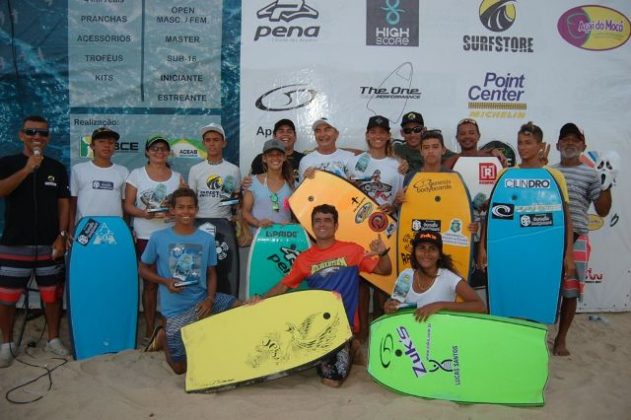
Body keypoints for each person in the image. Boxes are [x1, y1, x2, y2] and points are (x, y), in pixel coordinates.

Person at [249, 204, 392, 387]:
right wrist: (260, 298)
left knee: (331, 380)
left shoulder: (352, 251)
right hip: (317, 327)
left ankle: (351, 344)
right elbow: (284, 285)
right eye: (317, 220)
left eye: (327, 220)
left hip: (342, 327)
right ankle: (340, 351)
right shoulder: (304, 259)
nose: (322, 224)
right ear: (312, 226)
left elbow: (384, 270)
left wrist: (383, 253)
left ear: (336, 225)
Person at [139, 187, 240, 374]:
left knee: (240, 306)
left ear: (196, 209)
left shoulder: (206, 239)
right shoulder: (158, 238)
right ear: (173, 210)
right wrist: (165, 281)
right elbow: (142, 268)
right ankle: (163, 335)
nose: (186, 212)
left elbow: (211, 273)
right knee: (180, 370)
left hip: (202, 303)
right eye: (181, 207)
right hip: (174, 312)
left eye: (190, 207)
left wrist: (210, 299)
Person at [0, 115, 70, 367]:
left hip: (49, 244)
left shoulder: (57, 168)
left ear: (48, 138)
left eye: (42, 133)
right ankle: (6, 344)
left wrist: (62, 236)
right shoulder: (8, 163)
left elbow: (64, 204)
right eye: (31, 132)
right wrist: (27, 169)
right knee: (7, 298)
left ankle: (53, 339)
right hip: (14, 243)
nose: (37, 137)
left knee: (51, 296)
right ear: (21, 135)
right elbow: (2, 190)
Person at [477, 122, 576, 283]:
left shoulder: (554, 176)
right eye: (520, 143)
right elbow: (494, 214)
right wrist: (482, 247)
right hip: (509, 249)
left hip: (542, 250)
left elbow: (567, 219)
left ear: (539, 145)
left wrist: (569, 254)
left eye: (528, 143)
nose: (523, 148)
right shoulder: (506, 174)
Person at [551, 123, 612, 356]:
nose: (569, 143)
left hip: (577, 238)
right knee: (545, 287)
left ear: (583, 145)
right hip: (550, 239)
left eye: (574, 139)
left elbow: (603, 210)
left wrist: (607, 184)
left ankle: (561, 339)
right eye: (565, 139)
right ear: (557, 144)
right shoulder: (549, 171)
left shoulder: (592, 174)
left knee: (570, 291)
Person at [124, 134, 185, 346]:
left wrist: (174, 214)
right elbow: (128, 205)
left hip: (171, 236)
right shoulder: (136, 174)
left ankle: (171, 328)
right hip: (145, 236)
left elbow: (184, 205)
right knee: (150, 285)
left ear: (168, 152)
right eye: (155, 148)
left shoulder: (177, 177)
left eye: (163, 149)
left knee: (174, 284)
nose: (159, 152)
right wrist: (144, 214)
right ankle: (149, 329)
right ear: (147, 152)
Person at [348, 115, 404, 341]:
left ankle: (382, 334)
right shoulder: (356, 161)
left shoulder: (397, 165)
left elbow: (399, 198)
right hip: (359, 229)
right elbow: (348, 193)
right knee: (360, 282)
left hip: (386, 228)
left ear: (388, 135)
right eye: (374, 132)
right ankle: (360, 335)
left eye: (382, 132)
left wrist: (394, 204)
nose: (378, 136)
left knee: (384, 282)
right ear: (367, 135)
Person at [187, 123, 241, 296]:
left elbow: (235, 199)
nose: (212, 144)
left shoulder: (233, 170)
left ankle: (222, 310)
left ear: (224, 143)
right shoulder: (195, 170)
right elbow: (190, 200)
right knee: (197, 271)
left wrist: (236, 213)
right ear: (203, 143)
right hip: (199, 224)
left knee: (223, 272)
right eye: (208, 140)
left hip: (224, 226)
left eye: (216, 140)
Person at [384, 231, 486, 320]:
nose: (426, 253)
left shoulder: (448, 277)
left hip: (439, 335)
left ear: (439, 255)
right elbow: (396, 303)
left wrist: (441, 305)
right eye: (421, 248)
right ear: (414, 252)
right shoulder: (406, 275)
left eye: (432, 249)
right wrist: (390, 306)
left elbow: (481, 307)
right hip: (410, 335)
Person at [69, 127, 129, 229]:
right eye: (101, 142)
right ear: (92, 145)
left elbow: (125, 204)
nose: (106, 145)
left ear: (115, 146)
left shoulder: (123, 171)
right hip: (86, 228)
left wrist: (126, 229)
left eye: (111, 142)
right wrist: (71, 230)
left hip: (114, 227)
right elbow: (72, 204)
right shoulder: (78, 169)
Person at [242, 138, 294, 233]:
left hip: (285, 237)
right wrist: (258, 223)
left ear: (284, 157)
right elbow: (245, 212)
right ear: (264, 158)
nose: (275, 158)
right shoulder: (253, 181)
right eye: (271, 155)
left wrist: (291, 223)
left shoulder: (291, 183)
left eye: (279, 154)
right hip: (260, 240)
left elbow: (297, 212)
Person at [443, 118, 508, 169]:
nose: (467, 136)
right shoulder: (450, 162)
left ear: (478, 136)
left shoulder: (492, 158)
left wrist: (492, 150)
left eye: (471, 133)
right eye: (462, 134)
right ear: (457, 138)